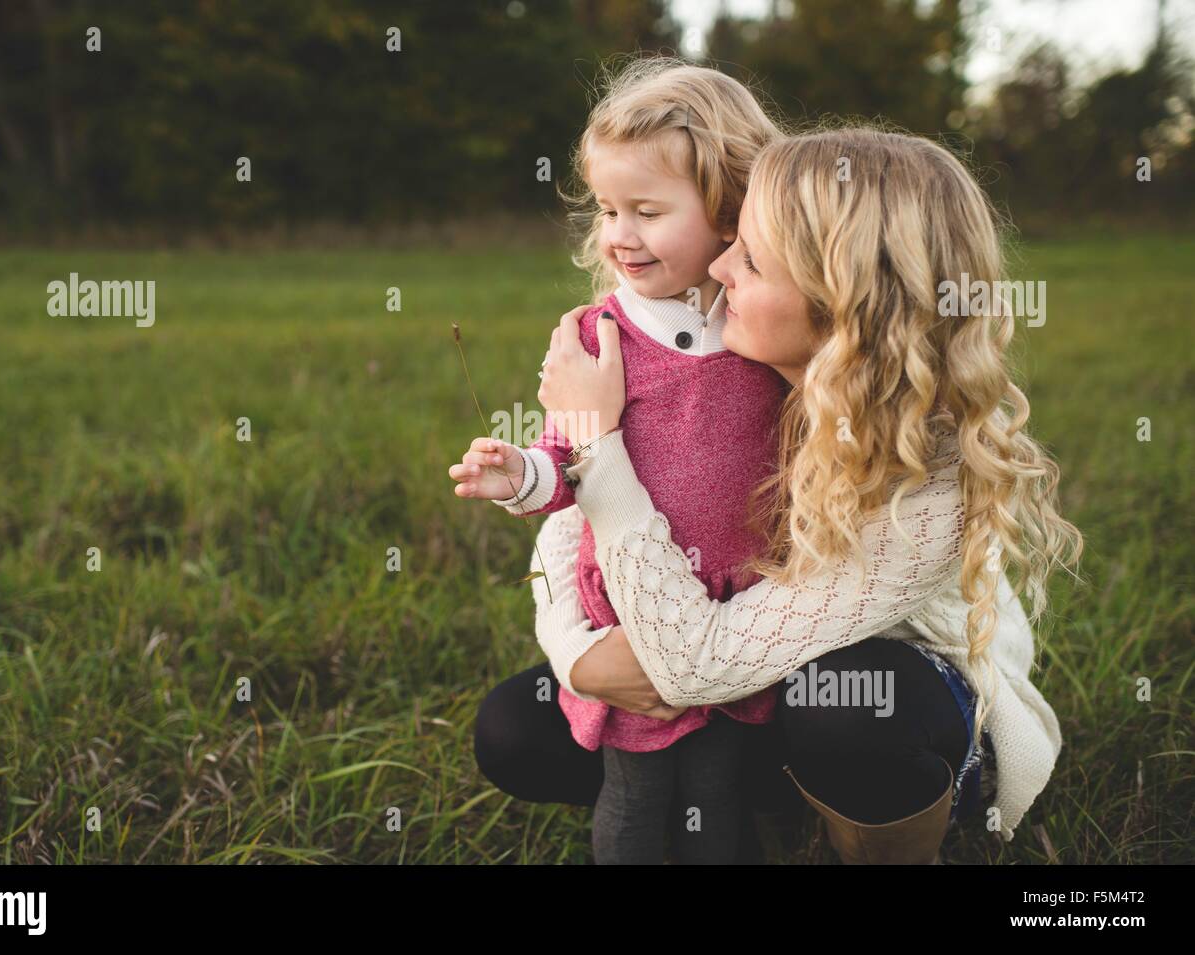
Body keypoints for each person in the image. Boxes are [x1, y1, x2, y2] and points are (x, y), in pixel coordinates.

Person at [476, 127, 1083, 864]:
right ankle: (749, 804)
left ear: (842, 306)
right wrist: (576, 655)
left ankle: (886, 829)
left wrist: (596, 441)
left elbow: (696, 665)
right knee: (517, 725)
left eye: (753, 258)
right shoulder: (741, 371)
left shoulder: (929, 486)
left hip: (893, 706)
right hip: (740, 681)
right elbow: (570, 532)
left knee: (843, 703)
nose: (721, 263)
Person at [449, 56, 788, 864]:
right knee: (636, 794)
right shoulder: (601, 336)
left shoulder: (766, 326)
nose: (618, 235)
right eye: (606, 209)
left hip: (738, 614)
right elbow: (565, 460)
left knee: (718, 790)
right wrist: (522, 476)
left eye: (646, 210)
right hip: (638, 614)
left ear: (730, 209)